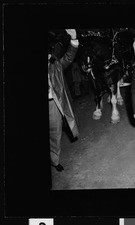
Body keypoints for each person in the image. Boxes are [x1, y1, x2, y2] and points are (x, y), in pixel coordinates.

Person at [48, 29, 79, 172]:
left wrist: (73, 38)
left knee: (55, 133)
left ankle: (55, 160)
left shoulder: (54, 64)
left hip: (52, 104)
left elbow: (68, 58)